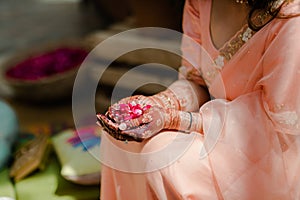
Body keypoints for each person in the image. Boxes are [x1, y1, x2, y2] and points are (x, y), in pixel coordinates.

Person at [97, 0, 300, 199]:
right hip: (218, 130)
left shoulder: (291, 16)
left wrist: (174, 119)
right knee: (121, 137)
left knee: (161, 155)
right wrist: (159, 103)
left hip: (269, 152)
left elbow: (276, 124)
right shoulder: (200, 3)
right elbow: (197, 81)